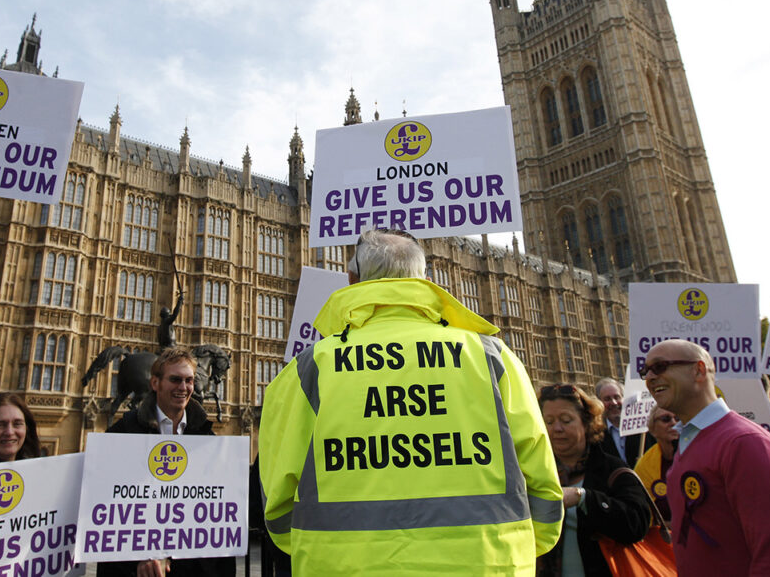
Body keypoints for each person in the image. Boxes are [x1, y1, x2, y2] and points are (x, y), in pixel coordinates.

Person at [259, 227, 563, 575]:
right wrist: (518, 548)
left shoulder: (309, 369)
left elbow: (277, 505)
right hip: (487, 566)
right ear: (425, 279)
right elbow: (543, 485)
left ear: (351, 279)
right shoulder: (492, 357)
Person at [644, 339, 770, 575]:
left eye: (660, 366)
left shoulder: (745, 444)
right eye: (645, 370)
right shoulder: (689, 443)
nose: (649, 377)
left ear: (699, 370)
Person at [99, 347, 234, 577]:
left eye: (189, 380)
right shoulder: (121, 436)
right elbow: (105, 514)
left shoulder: (207, 441)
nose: (183, 387)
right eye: (175, 380)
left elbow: (216, 518)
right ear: (154, 383)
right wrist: (137, 556)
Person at [535, 383, 651, 576]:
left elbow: (637, 524)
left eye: (566, 420)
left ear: (586, 422)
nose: (557, 428)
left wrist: (584, 498)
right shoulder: (532, 473)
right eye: (548, 421)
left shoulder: (613, 470)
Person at [633, 406, 678, 523]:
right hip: (660, 537)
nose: (673, 423)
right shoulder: (644, 465)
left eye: (678, 418)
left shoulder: (696, 455)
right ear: (652, 429)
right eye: (665, 419)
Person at [594, 377, 642, 466]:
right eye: (607, 399)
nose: (614, 402)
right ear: (599, 403)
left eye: (617, 397)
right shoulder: (596, 435)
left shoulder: (642, 429)